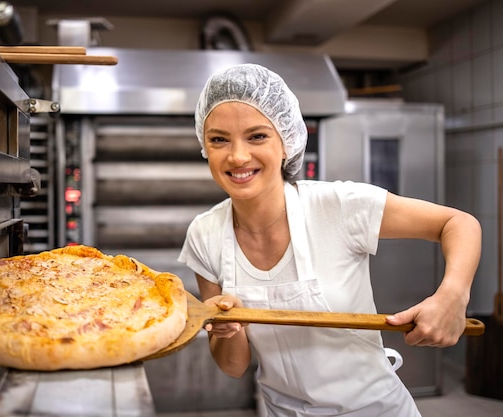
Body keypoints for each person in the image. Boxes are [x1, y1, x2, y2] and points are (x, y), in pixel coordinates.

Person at [177, 63, 482, 417]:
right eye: (219, 139)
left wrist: (452, 297)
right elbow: (233, 365)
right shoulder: (205, 234)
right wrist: (229, 330)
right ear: (204, 145)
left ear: (285, 142)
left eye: (257, 136)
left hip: (374, 409)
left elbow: (458, 223)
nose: (237, 156)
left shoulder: (337, 206)